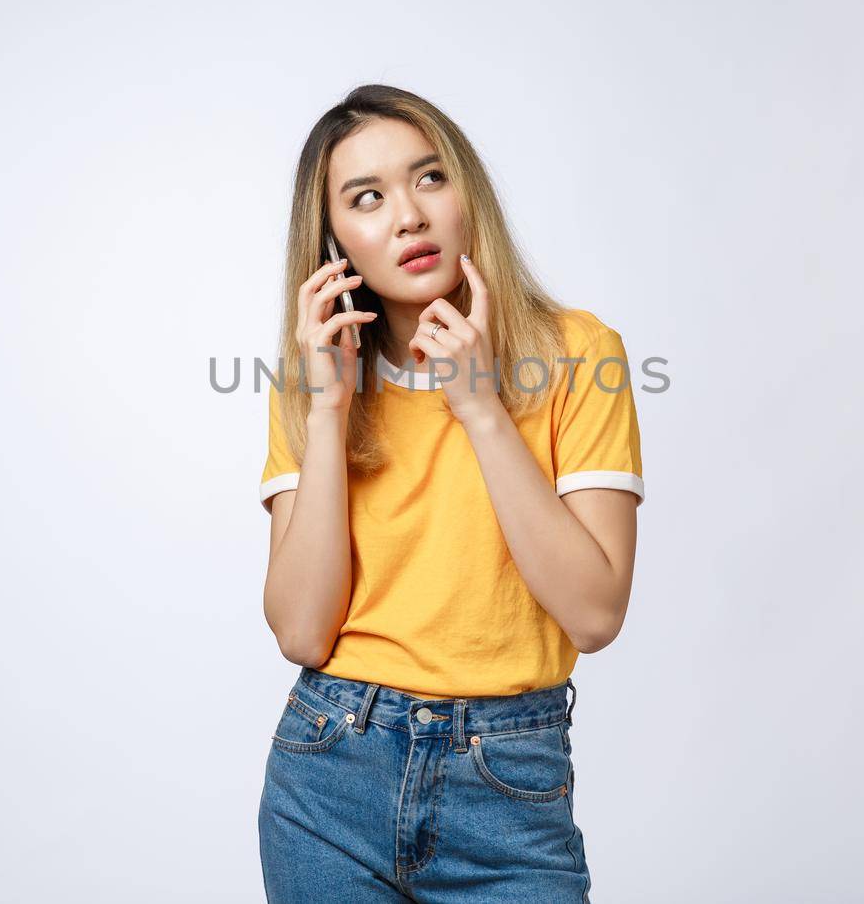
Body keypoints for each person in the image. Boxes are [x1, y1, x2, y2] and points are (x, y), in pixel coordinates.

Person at [256, 84, 645, 903]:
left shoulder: (581, 354)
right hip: (330, 777)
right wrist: (327, 410)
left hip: (506, 785)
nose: (407, 215)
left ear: (468, 193)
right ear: (334, 241)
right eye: (367, 197)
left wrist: (479, 407)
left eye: (429, 178)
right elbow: (300, 629)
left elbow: (596, 612)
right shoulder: (316, 378)